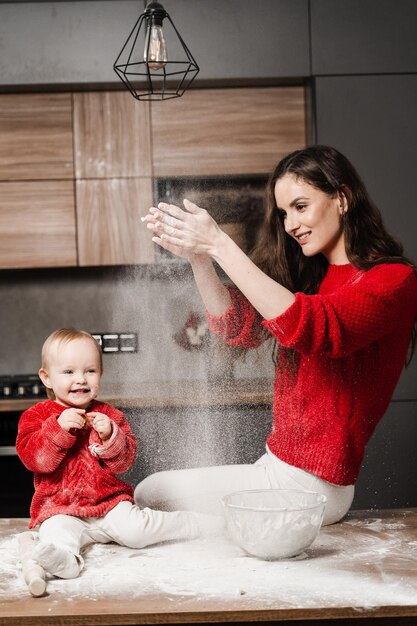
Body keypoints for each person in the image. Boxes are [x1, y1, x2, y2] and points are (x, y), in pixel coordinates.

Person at [137, 144, 417, 526]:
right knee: (158, 499)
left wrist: (220, 244)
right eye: (284, 213)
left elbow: (313, 328)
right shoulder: (310, 276)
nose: (290, 225)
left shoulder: (392, 281)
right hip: (277, 468)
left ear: (343, 198)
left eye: (301, 207)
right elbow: (237, 327)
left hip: (313, 487)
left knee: (151, 494)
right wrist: (199, 258)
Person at [16, 328, 224, 581]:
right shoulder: (36, 417)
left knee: (138, 532)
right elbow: (36, 460)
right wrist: (58, 429)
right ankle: (66, 561)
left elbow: (124, 463)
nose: (81, 379)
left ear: (100, 375)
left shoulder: (110, 416)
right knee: (55, 532)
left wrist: (110, 436)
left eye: (90, 371)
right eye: (69, 372)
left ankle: (199, 523)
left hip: (109, 506)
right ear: (47, 378)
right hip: (61, 509)